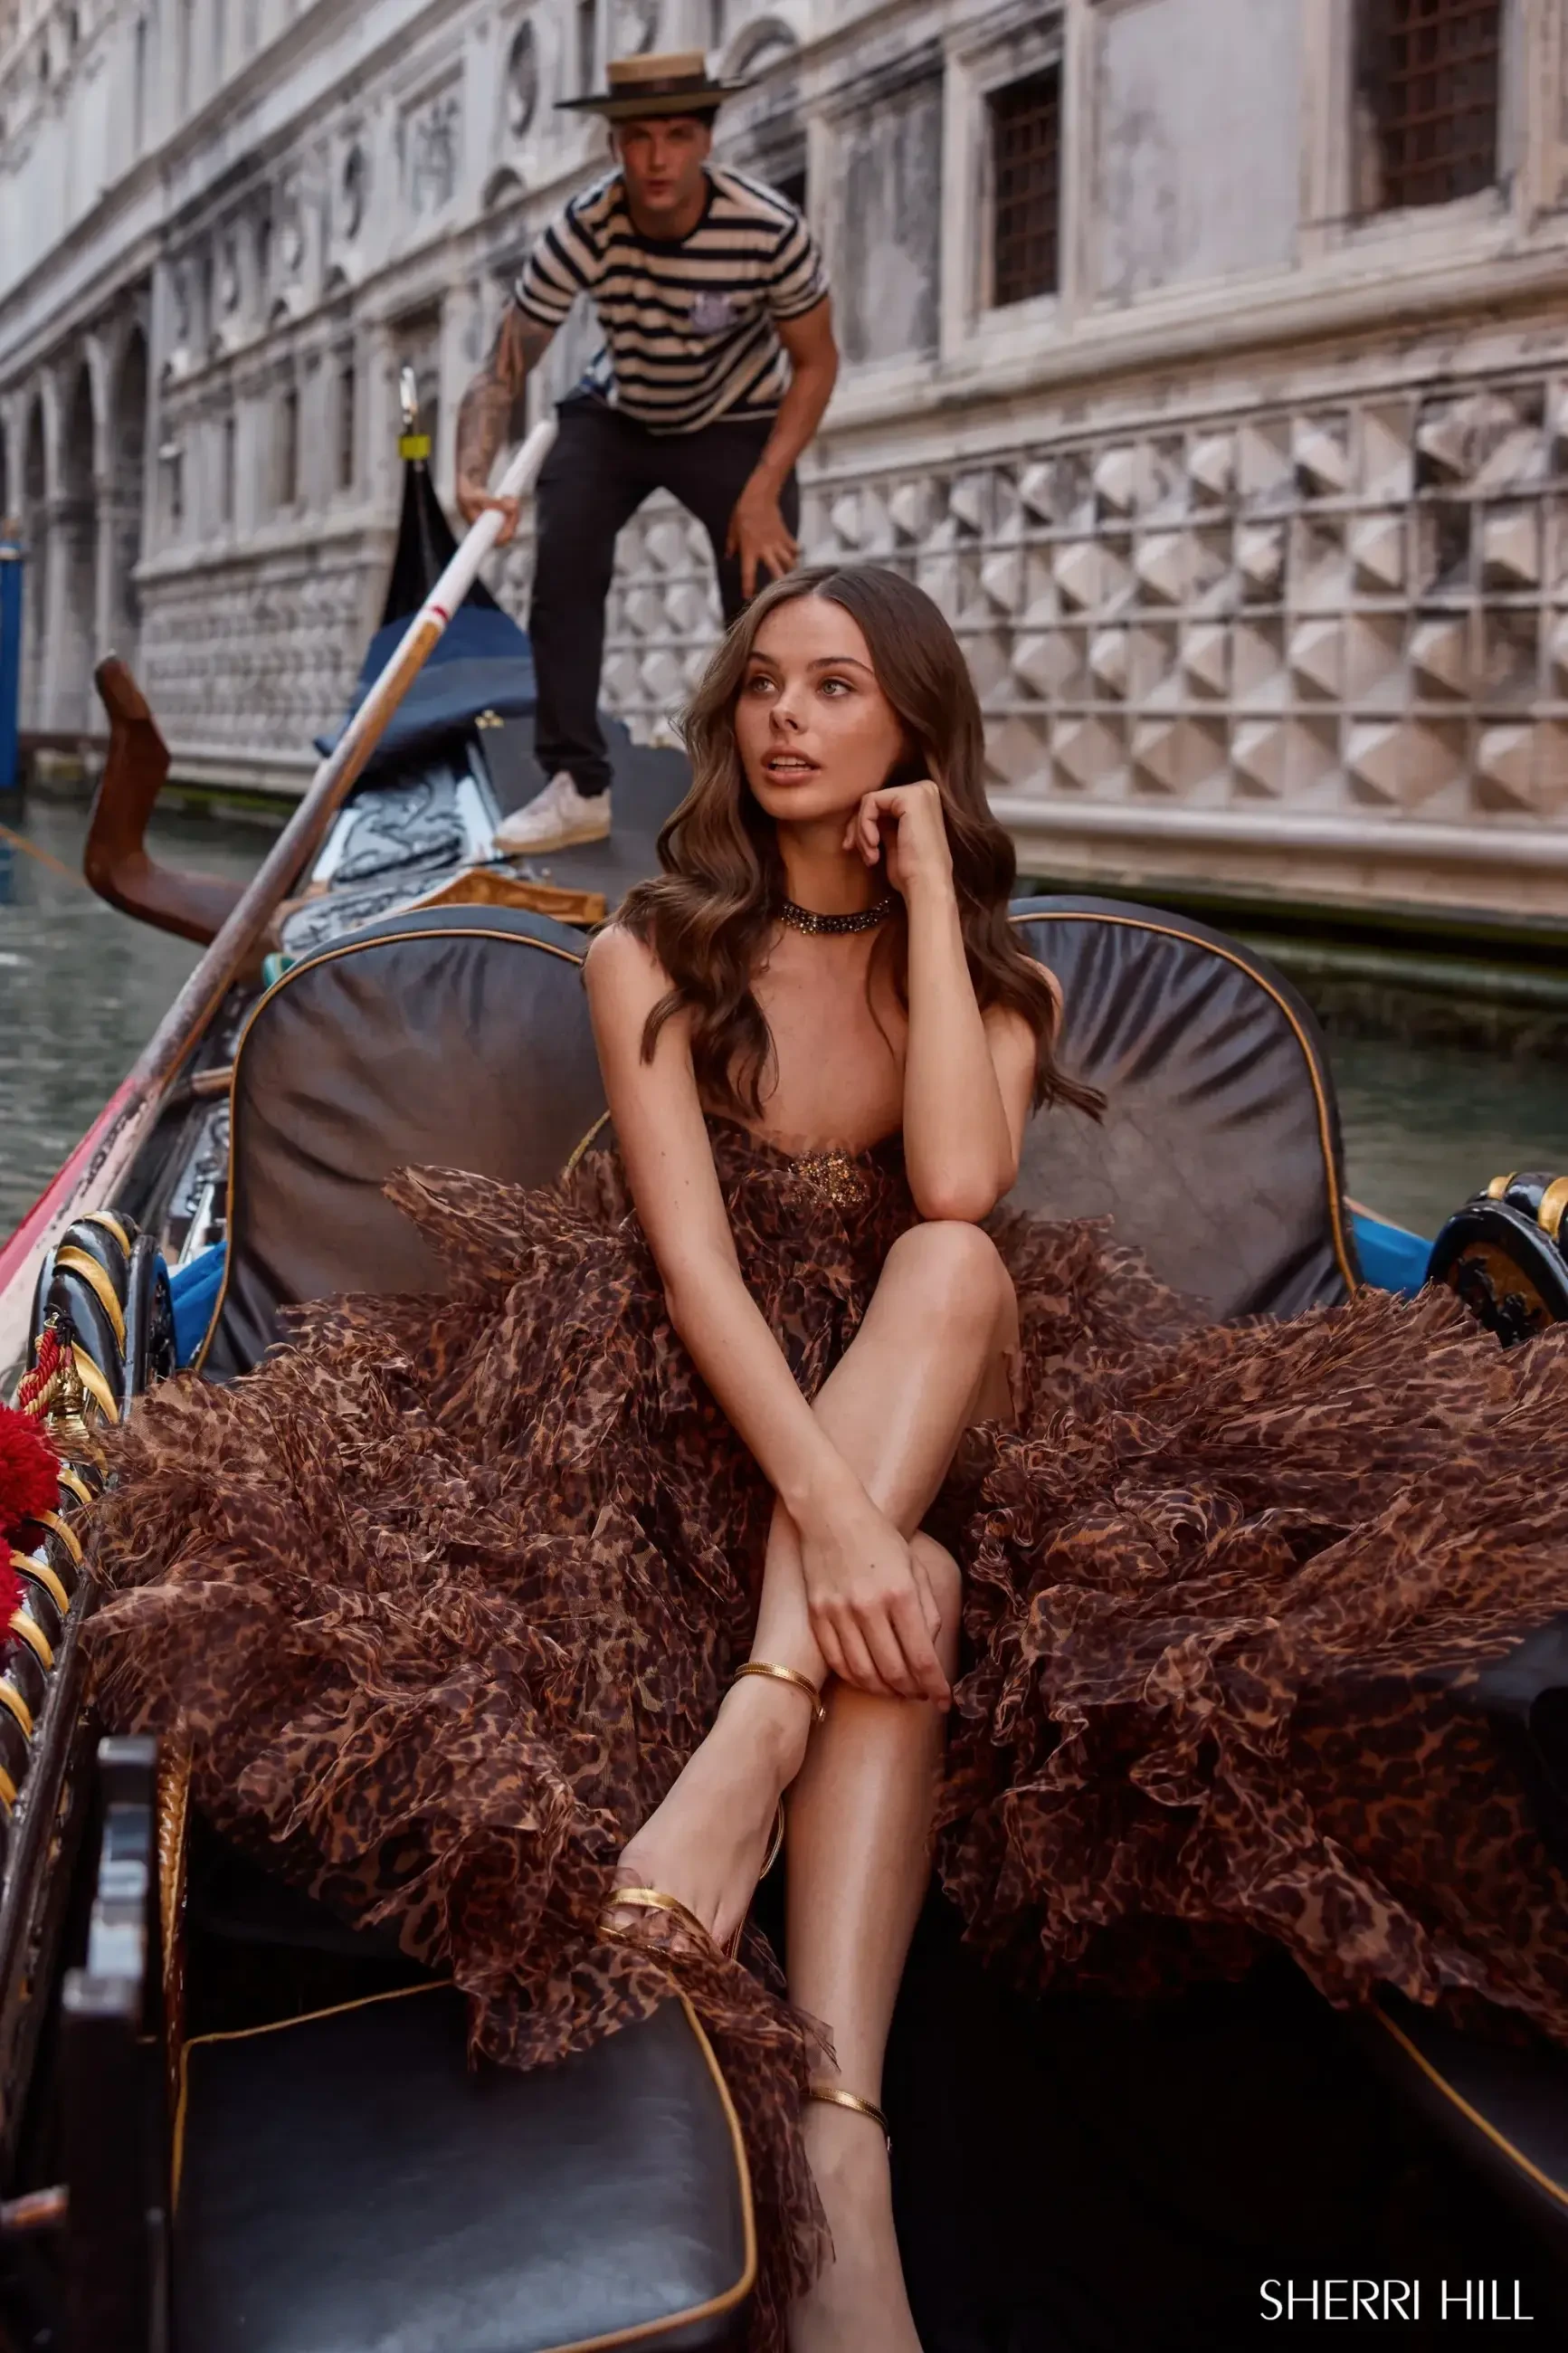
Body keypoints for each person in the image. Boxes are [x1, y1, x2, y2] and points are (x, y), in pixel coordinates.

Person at [93, 568, 1568, 2351]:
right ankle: (844, 2149)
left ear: (907, 735)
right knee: (914, 1601)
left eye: (837, 688)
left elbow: (951, 1182)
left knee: (943, 1264)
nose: (785, 718)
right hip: (717, 1409)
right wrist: (837, 1522)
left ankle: (752, 1731)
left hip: (949, 1386)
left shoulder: (985, 984)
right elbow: (695, 1268)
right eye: (762, 686)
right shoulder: (651, 951)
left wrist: (929, 889)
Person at [456, 51, 839, 857]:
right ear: (613, 148)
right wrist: (470, 468)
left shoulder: (768, 229)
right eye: (637, 139)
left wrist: (764, 485)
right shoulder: (585, 228)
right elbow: (505, 366)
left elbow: (816, 364)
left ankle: (763, 799)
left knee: (765, 600)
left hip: (737, 421)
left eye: (675, 136)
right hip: (619, 414)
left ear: (705, 140)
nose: (656, 159)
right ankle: (578, 786)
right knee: (563, 565)